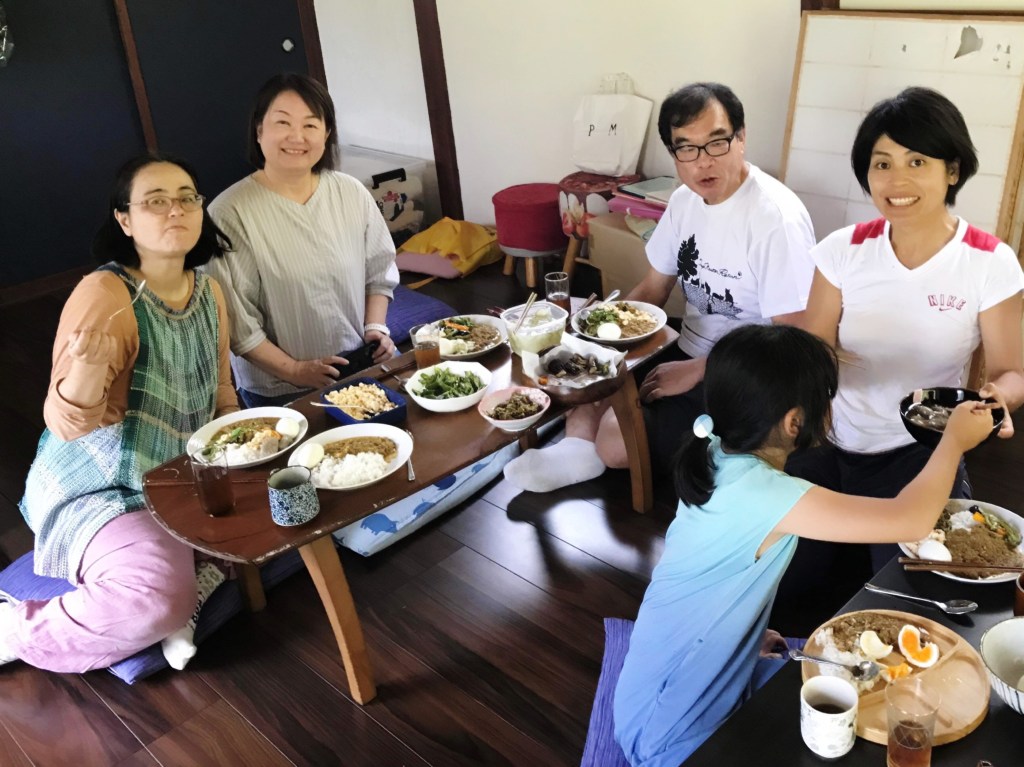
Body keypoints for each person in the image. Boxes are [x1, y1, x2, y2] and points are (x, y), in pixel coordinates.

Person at [613, 324, 993, 767]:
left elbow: (706, 576)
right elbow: (910, 519)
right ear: (795, 422)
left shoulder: (715, 452)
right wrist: (952, 441)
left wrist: (744, 635)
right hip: (666, 734)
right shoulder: (767, 493)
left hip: (648, 696)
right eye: (827, 401)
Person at [504, 82, 816, 492]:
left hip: (747, 370)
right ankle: (576, 449)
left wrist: (697, 370)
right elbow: (653, 288)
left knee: (615, 444)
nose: (703, 162)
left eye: (716, 142)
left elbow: (791, 339)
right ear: (673, 153)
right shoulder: (685, 201)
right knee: (590, 374)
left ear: (741, 138)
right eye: (686, 148)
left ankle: (717, 456)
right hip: (688, 343)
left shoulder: (775, 218)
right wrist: (595, 334)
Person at [0, 153, 238, 671]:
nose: (175, 210)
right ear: (124, 220)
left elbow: (221, 389)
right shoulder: (105, 293)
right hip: (102, 485)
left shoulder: (210, 291)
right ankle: (16, 629)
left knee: (278, 518)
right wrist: (86, 370)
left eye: (187, 198)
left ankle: (192, 586)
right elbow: (66, 425)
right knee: (154, 599)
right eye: (155, 201)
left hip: (179, 472)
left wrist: (242, 451)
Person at [786, 86, 1024, 578]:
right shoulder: (842, 250)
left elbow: (1012, 372)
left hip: (922, 451)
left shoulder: (988, 261)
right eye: (882, 163)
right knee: (786, 577)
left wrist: (998, 400)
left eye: (917, 162)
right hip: (832, 441)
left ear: (952, 170)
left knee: (916, 584)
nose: (897, 180)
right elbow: (812, 353)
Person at [205, 72, 399, 408]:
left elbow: (379, 270)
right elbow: (235, 321)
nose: (297, 136)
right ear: (259, 130)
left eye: (310, 124)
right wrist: (294, 371)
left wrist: (375, 327)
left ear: (326, 133)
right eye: (283, 122)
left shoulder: (350, 191)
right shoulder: (228, 213)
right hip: (282, 390)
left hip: (359, 368)